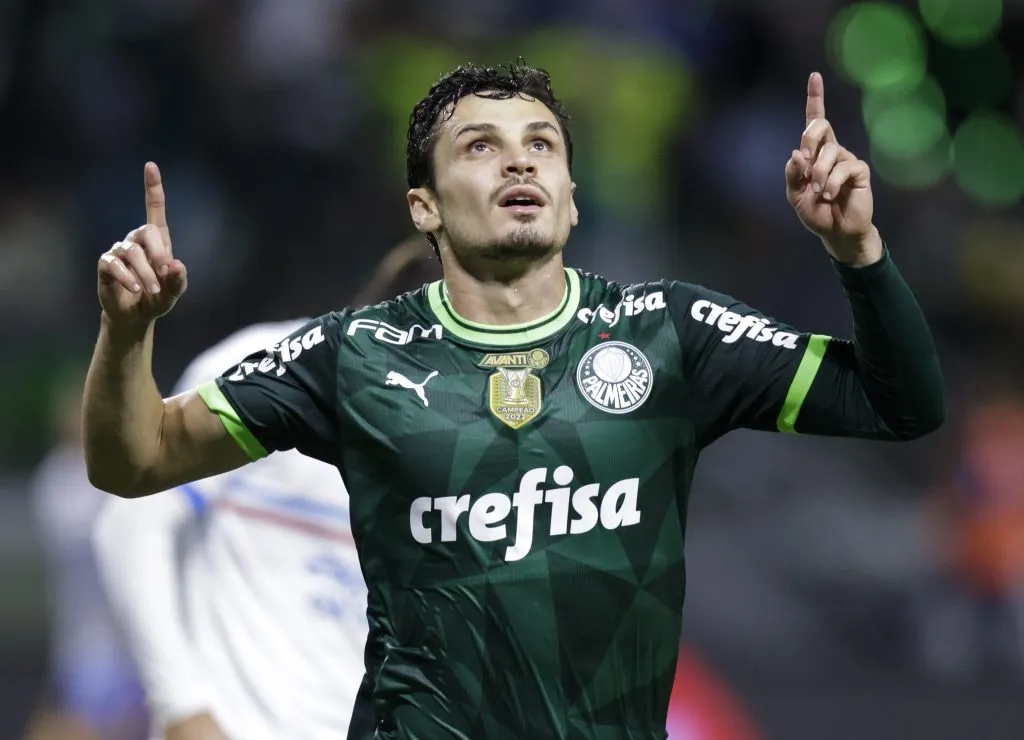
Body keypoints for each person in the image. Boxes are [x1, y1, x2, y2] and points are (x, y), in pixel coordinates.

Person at [82, 60, 944, 739]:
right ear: (424, 206)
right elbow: (136, 463)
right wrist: (127, 333)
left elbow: (900, 405)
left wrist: (859, 254)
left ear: (571, 198)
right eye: (479, 146)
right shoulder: (352, 354)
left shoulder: (669, 332)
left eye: (542, 143)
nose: (520, 158)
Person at [91, 239, 439, 740]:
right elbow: (130, 525)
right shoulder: (276, 367)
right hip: (234, 727)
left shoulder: (465, 444)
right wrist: (181, 706)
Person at [26, 375, 148, 740]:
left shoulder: (121, 463)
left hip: (130, 630)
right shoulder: (56, 479)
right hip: (88, 634)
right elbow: (93, 535)